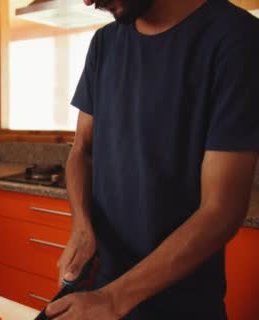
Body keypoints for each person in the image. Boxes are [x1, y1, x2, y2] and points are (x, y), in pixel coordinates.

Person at [49, 0, 259, 319]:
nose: (88, 1)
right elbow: (83, 149)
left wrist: (115, 299)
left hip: (180, 305)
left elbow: (222, 209)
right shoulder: (105, 43)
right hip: (100, 292)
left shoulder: (237, 38)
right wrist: (81, 225)